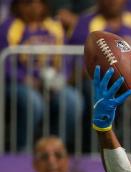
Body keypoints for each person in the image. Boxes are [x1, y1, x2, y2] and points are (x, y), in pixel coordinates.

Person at [0, 0, 83, 151]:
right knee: (33, 102)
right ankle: (22, 150)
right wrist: (24, 79)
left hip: (50, 83)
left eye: (37, 3)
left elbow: (66, 60)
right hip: (18, 83)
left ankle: (56, 149)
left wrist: (59, 79)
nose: (32, 7)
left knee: (73, 101)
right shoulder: (9, 27)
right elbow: (6, 65)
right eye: (27, 3)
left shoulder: (54, 27)